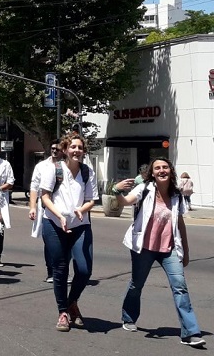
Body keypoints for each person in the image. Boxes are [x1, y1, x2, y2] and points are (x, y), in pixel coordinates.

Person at [112, 158, 206, 347]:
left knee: (180, 286)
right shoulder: (145, 189)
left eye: (165, 167)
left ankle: (190, 332)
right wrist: (116, 190)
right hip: (144, 248)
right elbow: (126, 201)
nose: (162, 170)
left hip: (169, 249)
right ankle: (129, 317)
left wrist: (186, 251)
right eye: (157, 168)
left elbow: (180, 223)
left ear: (170, 171)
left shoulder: (177, 195)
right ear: (152, 173)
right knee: (136, 284)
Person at [39, 135, 97, 332]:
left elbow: (91, 200)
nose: (76, 150)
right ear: (65, 149)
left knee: (84, 269)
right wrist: (60, 216)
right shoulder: (53, 170)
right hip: (54, 223)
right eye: (72, 147)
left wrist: (82, 209)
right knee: (60, 269)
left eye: (80, 147)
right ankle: (63, 312)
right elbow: (45, 196)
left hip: (80, 224)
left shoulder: (87, 172)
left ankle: (72, 302)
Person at [29, 139, 64, 283]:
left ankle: (62, 271)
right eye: (52, 148)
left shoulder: (68, 166)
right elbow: (34, 187)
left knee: (65, 242)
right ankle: (51, 272)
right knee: (50, 241)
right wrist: (32, 207)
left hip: (64, 208)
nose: (54, 151)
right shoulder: (41, 166)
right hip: (45, 208)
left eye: (58, 148)